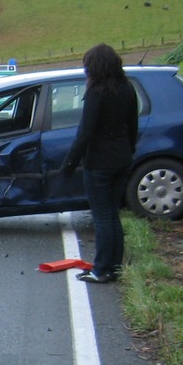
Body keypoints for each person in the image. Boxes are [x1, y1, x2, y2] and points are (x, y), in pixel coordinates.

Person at [60, 43, 139, 283]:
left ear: (93, 68)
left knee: (102, 217)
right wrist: (129, 150)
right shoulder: (127, 88)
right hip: (122, 157)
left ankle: (101, 268)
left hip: (99, 161)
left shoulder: (96, 93)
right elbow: (132, 125)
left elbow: (85, 132)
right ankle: (114, 266)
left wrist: (69, 164)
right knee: (112, 215)